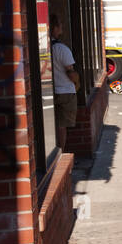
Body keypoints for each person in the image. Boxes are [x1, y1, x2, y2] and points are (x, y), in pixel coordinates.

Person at [47, 14, 80, 149]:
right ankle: (59, 153)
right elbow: (71, 73)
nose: (62, 27)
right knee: (61, 126)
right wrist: (77, 83)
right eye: (60, 24)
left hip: (49, 91)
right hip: (65, 92)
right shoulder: (62, 49)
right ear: (54, 28)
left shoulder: (43, 48)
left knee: (50, 125)